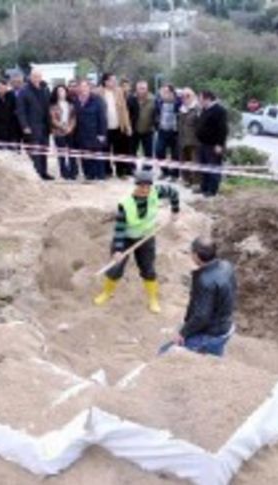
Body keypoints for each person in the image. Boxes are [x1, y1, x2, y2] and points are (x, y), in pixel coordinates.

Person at [94, 170, 179, 314]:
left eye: (148, 186)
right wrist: (118, 250)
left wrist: (175, 210)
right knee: (115, 268)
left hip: (146, 237)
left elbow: (173, 192)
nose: (145, 190)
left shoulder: (156, 192)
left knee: (148, 269)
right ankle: (107, 293)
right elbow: (120, 229)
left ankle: (152, 298)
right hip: (126, 237)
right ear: (136, 185)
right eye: (142, 186)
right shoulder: (125, 204)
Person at [173, 237, 237, 357]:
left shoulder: (205, 281)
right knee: (214, 357)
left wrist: (183, 333)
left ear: (196, 255)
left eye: (191, 252)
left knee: (166, 353)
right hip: (226, 325)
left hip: (212, 333)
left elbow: (201, 316)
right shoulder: (226, 265)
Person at [16, 69, 53, 180]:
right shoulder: (24, 91)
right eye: (35, 76)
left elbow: (48, 108)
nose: (37, 79)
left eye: (39, 76)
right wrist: (25, 126)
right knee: (35, 153)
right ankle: (36, 175)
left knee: (44, 151)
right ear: (30, 77)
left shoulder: (45, 89)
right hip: (32, 127)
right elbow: (20, 111)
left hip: (45, 127)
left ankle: (44, 173)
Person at [72, 79, 107, 182]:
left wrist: (102, 134)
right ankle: (89, 175)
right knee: (85, 156)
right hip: (81, 134)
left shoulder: (97, 100)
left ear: (89, 87)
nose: (83, 89)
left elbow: (102, 118)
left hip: (95, 133)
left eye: (85, 86)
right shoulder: (76, 101)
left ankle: (100, 176)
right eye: (81, 86)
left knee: (97, 155)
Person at [196, 90, 228, 197]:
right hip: (203, 144)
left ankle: (212, 190)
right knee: (204, 167)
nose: (199, 101)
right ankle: (204, 187)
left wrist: (220, 144)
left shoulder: (219, 111)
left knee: (213, 168)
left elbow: (223, 129)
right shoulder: (204, 109)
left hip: (213, 145)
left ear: (207, 98)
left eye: (200, 98)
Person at [100, 73, 133, 178]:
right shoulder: (98, 92)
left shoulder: (119, 91)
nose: (114, 82)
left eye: (115, 80)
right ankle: (107, 171)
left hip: (118, 126)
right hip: (105, 128)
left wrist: (128, 126)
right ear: (106, 81)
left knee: (119, 150)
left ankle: (120, 172)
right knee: (105, 150)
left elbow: (124, 110)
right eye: (112, 80)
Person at [50, 85, 77, 180]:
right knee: (61, 154)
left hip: (70, 131)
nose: (61, 93)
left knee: (71, 153)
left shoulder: (70, 104)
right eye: (59, 91)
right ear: (56, 93)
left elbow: (73, 118)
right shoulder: (53, 106)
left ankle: (73, 172)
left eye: (63, 91)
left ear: (66, 92)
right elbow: (53, 120)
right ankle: (64, 173)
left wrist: (70, 127)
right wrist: (62, 126)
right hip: (58, 132)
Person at [154, 84, 181, 181]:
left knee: (175, 155)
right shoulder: (159, 101)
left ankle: (174, 175)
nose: (163, 94)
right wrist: (156, 124)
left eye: (165, 92)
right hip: (162, 131)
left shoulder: (178, 102)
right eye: (162, 92)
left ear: (171, 92)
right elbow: (156, 114)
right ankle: (164, 172)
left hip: (175, 132)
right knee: (159, 151)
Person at [127, 80, 156, 163]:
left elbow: (157, 113)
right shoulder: (131, 99)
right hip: (134, 130)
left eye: (143, 88)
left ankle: (147, 169)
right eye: (139, 88)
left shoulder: (153, 99)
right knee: (132, 151)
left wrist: (155, 125)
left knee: (148, 152)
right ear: (136, 89)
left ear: (147, 89)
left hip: (148, 130)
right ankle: (132, 168)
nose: (141, 91)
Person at [177, 88, 201, 187]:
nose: (185, 98)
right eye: (183, 96)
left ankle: (196, 182)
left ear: (193, 96)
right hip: (183, 139)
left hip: (194, 141)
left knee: (195, 162)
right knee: (184, 161)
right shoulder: (181, 109)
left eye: (188, 95)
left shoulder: (197, 109)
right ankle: (186, 180)